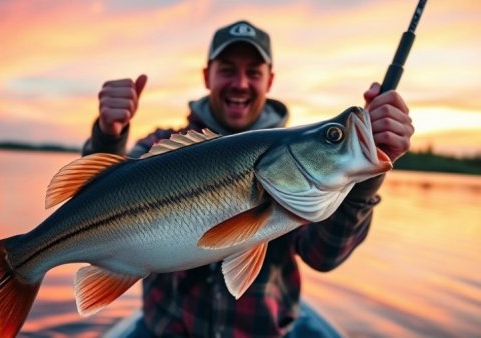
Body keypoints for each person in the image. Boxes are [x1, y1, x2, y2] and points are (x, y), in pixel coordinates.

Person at [82, 20, 413, 337]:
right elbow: (92, 197)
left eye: (253, 72)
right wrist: (108, 136)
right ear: (207, 76)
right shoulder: (161, 148)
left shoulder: (300, 162)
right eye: (227, 70)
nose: (240, 83)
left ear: (269, 81)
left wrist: (364, 176)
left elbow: (324, 255)